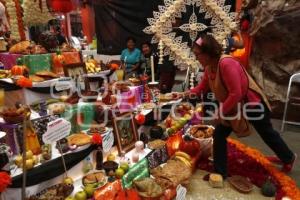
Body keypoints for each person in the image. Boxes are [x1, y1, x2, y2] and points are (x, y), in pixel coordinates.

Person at [185, 35, 296, 178]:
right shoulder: (209, 68)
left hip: (251, 104)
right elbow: (201, 88)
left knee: (267, 133)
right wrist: (184, 93)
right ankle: (220, 172)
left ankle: (288, 157)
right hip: (234, 107)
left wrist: (221, 111)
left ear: (208, 53)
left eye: (197, 54)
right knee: (219, 134)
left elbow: (236, 93)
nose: (196, 58)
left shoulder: (226, 63)